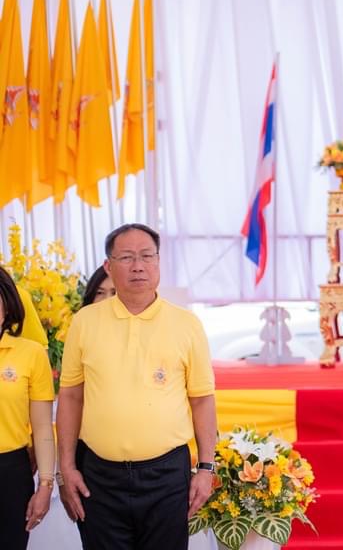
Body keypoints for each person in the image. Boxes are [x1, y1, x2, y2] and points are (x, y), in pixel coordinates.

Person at [56, 223, 217, 550]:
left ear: (158, 261)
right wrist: (66, 468)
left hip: (167, 474)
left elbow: (202, 400)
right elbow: (71, 397)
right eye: (127, 257)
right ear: (108, 266)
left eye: (146, 256)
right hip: (99, 475)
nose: (138, 266)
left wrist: (205, 468)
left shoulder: (186, 324)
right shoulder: (85, 321)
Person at [0, 266, 55, 549]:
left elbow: (43, 425)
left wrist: (45, 484)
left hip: (10, 472)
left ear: (7, 304)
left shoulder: (30, 354)